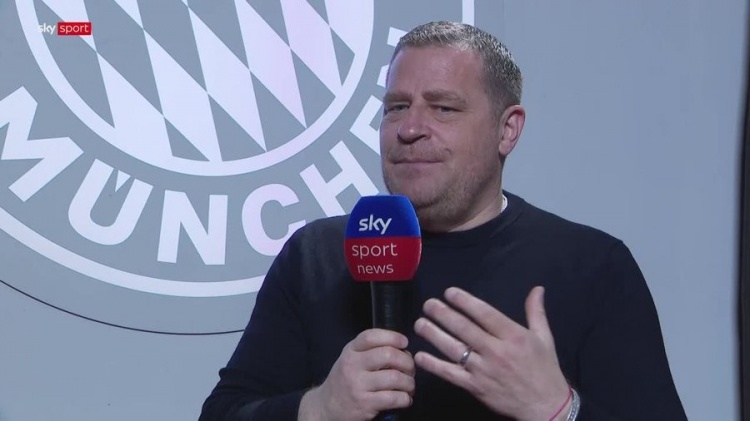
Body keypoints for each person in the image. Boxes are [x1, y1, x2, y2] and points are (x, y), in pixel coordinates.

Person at [200, 21, 687, 420]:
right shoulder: (315, 256)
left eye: (443, 108)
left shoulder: (593, 267)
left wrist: (558, 411)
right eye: (396, 108)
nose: (410, 128)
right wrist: (317, 410)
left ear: (508, 129)